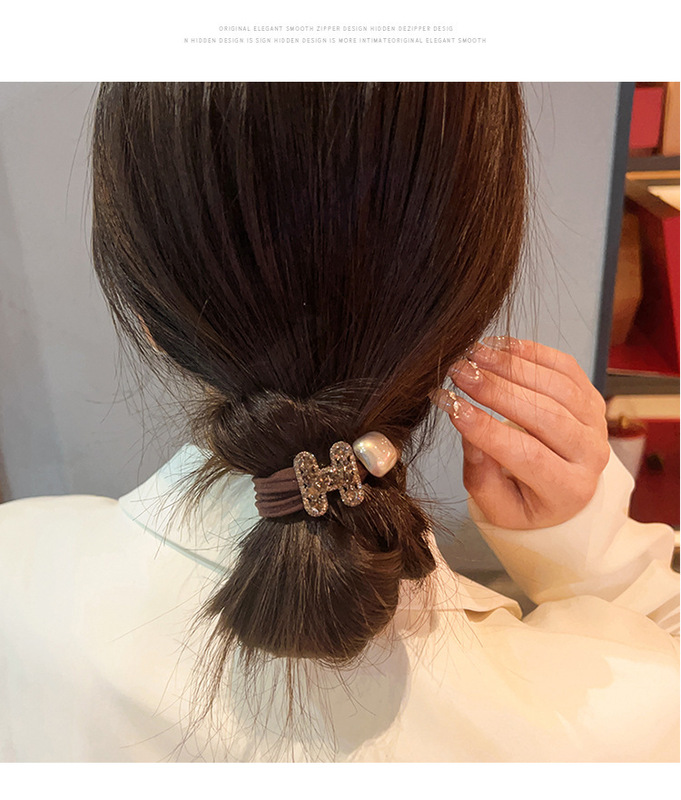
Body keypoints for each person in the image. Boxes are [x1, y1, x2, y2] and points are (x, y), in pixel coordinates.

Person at [0, 82, 677, 763]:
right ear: (464, 317)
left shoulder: (17, 587)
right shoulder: (620, 721)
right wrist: (596, 562)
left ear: (149, 320)